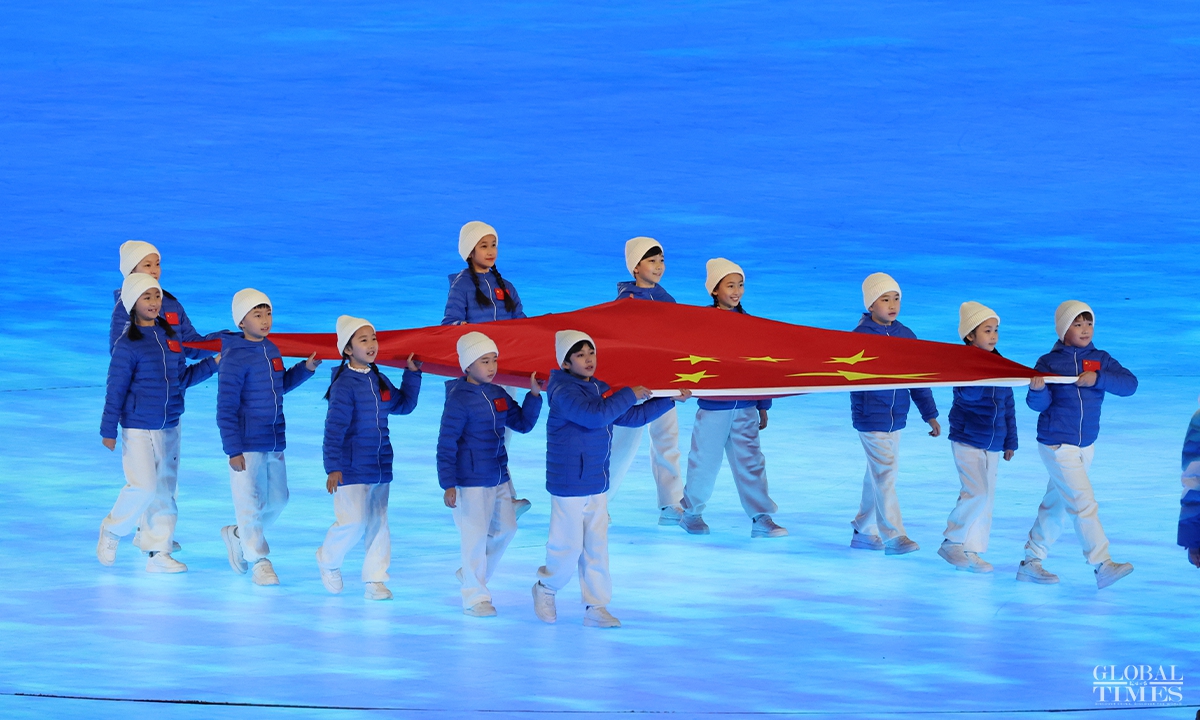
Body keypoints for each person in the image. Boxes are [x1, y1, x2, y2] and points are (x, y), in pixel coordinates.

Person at [532, 331, 691, 628]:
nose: (589, 360)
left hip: (595, 481)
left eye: (591, 353)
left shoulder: (593, 389)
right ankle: (546, 587)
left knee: (596, 547)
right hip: (569, 484)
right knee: (567, 548)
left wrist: (669, 400)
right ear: (565, 363)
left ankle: (596, 606)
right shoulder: (563, 392)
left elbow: (630, 418)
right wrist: (628, 393)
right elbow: (594, 417)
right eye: (580, 355)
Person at [97, 273, 218, 572]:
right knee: (144, 486)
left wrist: (214, 364)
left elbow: (183, 378)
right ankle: (113, 530)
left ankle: (158, 551)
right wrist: (108, 429)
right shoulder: (127, 345)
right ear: (131, 303)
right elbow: (116, 389)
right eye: (146, 297)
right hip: (138, 425)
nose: (154, 302)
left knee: (165, 489)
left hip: (169, 424)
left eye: (156, 296)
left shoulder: (170, 337)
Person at [1018, 301, 1137, 589]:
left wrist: (1099, 378)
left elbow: (1129, 384)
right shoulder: (1048, 362)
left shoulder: (1100, 358)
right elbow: (1039, 405)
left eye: (1089, 323)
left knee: (1057, 506)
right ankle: (1102, 564)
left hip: (1086, 445)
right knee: (1083, 502)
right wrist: (1037, 391)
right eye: (1077, 324)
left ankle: (1031, 561)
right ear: (1062, 330)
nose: (1085, 329)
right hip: (1058, 444)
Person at [216, 288, 321, 586]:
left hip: (273, 439)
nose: (265, 320)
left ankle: (238, 535)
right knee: (249, 503)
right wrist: (232, 449)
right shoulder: (234, 358)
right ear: (241, 322)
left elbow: (280, 386)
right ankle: (259, 559)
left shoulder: (271, 349)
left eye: (268, 313)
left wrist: (306, 369)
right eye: (257, 315)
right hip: (246, 443)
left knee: (278, 499)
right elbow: (226, 407)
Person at [678, 259, 786, 538]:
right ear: (714, 290)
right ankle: (691, 513)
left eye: (740, 285)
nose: (737, 291)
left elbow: (760, 366)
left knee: (752, 462)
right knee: (704, 461)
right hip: (714, 407)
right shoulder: (699, 324)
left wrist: (763, 404)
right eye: (730, 285)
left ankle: (761, 517)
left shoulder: (750, 324)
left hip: (747, 405)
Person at [437, 331, 542, 616]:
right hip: (469, 481)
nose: (492, 366)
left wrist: (533, 396)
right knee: (474, 538)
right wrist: (448, 483)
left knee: (507, 528)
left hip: (498, 476)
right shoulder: (458, 399)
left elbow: (522, 423)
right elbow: (446, 443)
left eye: (494, 359)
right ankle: (474, 597)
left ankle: (471, 575)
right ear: (468, 366)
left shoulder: (498, 393)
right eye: (485, 360)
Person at [317, 316, 421, 601]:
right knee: (353, 522)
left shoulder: (377, 376)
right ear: (348, 349)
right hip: (351, 467)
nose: (371, 344)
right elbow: (334, 427)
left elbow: (403, 406)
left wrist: (412, 374)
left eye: (373, 338)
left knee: (378, 522)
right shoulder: (344, 384)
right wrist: (333, 467)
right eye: (363, 340)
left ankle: (375, 579)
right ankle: (328, 559)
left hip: (380, 465)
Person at [441, 220, 532, 518]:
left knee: (500, 435)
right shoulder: (462, 285)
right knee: (475, 437)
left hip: (501, 372)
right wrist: (462, 328)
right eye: (484, 245)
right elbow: (448, 323)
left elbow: (523, 324)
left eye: (494, 245)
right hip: (471, 379)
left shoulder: (506, 286)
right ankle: (477, 497)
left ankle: (504, 498)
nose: (491, 251)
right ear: (469, 251)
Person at [849, 272, 940, 556]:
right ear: (870, 305)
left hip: (896, 418)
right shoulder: (859, 337)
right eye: (884, 299)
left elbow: (917, 379)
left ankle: (863, 532)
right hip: (871, 417)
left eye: (896, 298)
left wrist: (930, 414)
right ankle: (893, 536)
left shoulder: (906, 334)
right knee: (885, 474)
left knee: (877, 476)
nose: (892, 304)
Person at [607, 236, 686, 525]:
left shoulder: (667, 299)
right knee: (624, 443)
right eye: (651, 261)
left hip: (664, 380)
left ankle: (670, 504)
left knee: (668, 439)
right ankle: (598, 503)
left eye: (661, 260)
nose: (659, 266)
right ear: (635, 267)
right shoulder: (624, 302)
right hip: (634, 385)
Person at [936, 302, 1017, 573]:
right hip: (967, 438)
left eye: (996, 330)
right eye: (986, 330)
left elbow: (1008, 404)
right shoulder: (964, 363)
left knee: (987, 499)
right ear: (970, 335)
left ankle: (972, 550)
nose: (993, 336)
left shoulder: (1001, 363)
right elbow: (967, 396)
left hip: (994, 442)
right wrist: (983, 374)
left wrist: (1010, 441)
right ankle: (952, 540)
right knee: (976, 492)